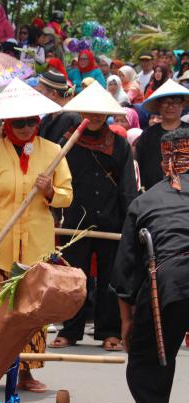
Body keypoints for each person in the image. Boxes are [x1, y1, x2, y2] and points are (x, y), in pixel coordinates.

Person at [0, 79, 73, 392]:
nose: (26, 128)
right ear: (6, 123)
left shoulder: (53, 151)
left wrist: (50, 191)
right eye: (19, 122)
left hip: (36, 247)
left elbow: (67, 194)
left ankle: (27, 370)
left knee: (32, 310)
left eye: (31, 121)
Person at [112, 128, 189, 403]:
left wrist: (127, 323)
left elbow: (125, 270)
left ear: (163, 161)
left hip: (170, 282)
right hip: (171, 280)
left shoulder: (145, 200)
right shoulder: (145, 200)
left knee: (146, 361)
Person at [50, 84, 137, 351]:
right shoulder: (67, 143)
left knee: (111, 278)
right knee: (75, 278)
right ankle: (70, 330)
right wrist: (55, 214)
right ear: (81, 112)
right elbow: (56, 181)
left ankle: (108, 331)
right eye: (91, 111)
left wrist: (129, 222)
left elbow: (127, 186)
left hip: (111, 221)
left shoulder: (120, 144)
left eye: (100, 112)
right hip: (75, 221)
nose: (95, 116)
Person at [136, 80, 189, 190]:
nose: (171, 106)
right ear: (159, 105)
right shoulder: (148, 135)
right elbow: (138, 164)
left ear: (183, 105)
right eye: (166, 102)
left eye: (176, 101)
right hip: (154, 192)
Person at [35, 70, 82, 144]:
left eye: (40, 92)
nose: (36, 96)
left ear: (53, 94)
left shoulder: (73, 118)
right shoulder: (48, 117)